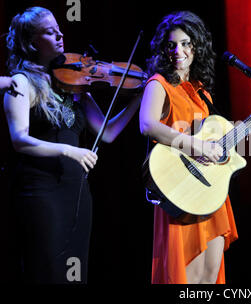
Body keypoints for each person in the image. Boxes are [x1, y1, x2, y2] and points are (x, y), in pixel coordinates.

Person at [140, 11, 251, 284]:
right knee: (186, 279)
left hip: (209, 191)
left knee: (209, 278)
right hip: (179, 189)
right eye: (171, 45)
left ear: (197, 47)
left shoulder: (200, 90)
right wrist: (196, 146)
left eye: (185, 43)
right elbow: (147, 125)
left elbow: (221, 138)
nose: (178, 51)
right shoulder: (158, 84)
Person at [3, 7, 141, 284]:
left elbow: (108, 132)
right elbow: (19, 140)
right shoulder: (21, 82)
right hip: (41, 193)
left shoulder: (72, 83)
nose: (60, 34)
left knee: (76, 275)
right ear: (32, 42)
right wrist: (71, 150)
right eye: (50, 31)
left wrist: (140, 97)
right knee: (48, 274)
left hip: (76, 192)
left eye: (59, 29)